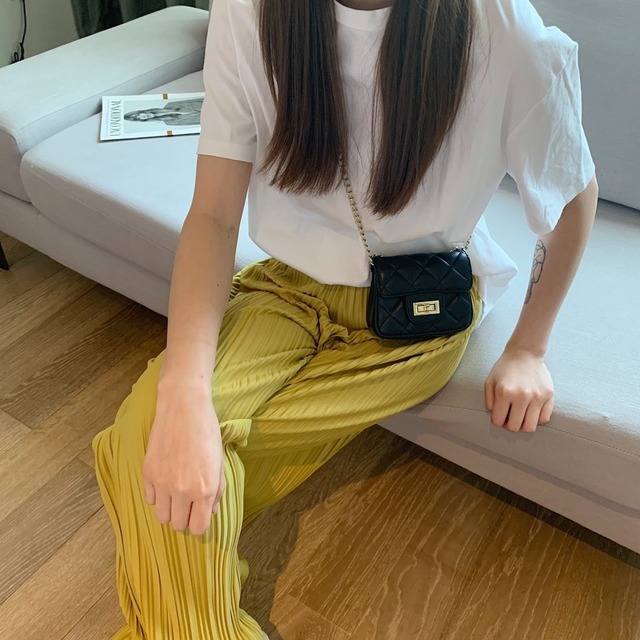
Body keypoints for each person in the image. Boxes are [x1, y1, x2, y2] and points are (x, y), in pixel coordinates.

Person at [91, 0, 598, 638]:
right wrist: (185, 390)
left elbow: (573, 195)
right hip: (286, 290)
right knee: (158, 430)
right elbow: (214, 216)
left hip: (413, 315)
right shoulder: (249, 12)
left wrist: (529, 347)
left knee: (142, 458)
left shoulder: (502, 30)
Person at [124, 98, 205, 127]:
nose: (143, 116)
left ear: (142, 111)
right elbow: (196, 123)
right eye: (139, 118)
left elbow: (195, 100)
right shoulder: (169, 123)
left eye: (139, 114)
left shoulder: (170, 105)